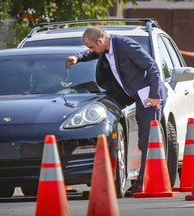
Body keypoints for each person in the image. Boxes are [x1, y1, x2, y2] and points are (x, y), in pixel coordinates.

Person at [65, 26, 168, 197]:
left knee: (148, 140)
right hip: (131, 94)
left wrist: (155, 96)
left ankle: (144, 183)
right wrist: (77, 57)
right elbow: (92, 53)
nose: (91, 51)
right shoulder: (104, 47)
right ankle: (140, 181)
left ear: (99, 41)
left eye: (91, 47)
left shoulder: (124, 45)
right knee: (143, 138)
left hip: (149, 96)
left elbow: (151, 66)